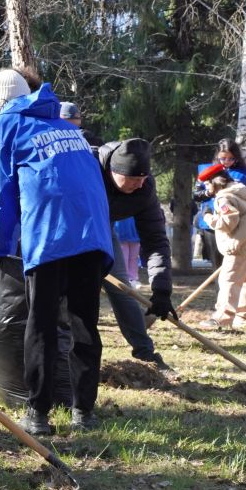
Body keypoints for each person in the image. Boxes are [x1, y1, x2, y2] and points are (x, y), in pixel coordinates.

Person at [0, 69, 112, 436]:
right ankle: (84, 412)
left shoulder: (3, 128)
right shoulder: (65, 127)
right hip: (92, 235)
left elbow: (1, 197)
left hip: (50, 236)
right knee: (84, 323)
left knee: (41, 324)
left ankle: (37, 413)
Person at [95, 139, 176, 374]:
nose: (139, 184)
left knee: (122, 288)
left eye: (143, 178)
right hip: (69, 232)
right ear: (113, 171)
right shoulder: (88, 169)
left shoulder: (145, 189)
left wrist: (162, 289)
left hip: (104, 229)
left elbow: (155, 240)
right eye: (133, 179)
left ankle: (146, 353)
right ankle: (68, 358)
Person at [195, 164, 246, 330]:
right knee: (245, 283)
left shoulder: (224, 198)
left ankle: (222, 318)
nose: (207, 189)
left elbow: (228, 223)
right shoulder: (241, 193)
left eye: (207, 184)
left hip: (237, 245)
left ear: (214, 182)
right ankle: (244, 317)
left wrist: (208, 217)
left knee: (229, 281)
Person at [114, 217, 140, 287]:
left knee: (134, 258)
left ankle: (133, 279)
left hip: (135, 233)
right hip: (120, 234)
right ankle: (124, 279)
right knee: (123, 259)